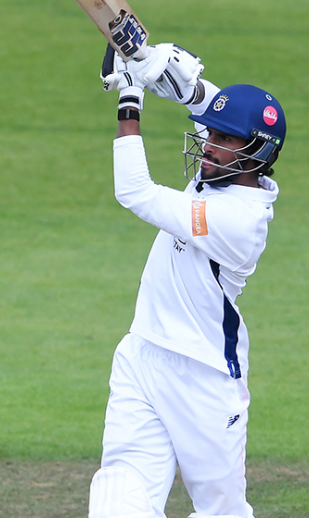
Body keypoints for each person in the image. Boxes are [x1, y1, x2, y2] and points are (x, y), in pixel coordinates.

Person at [87, 43, 287, 518]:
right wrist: (176, 78)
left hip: (205, 375)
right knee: (120, 496)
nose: (208, 145)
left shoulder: (239, 219)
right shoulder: (225, 167)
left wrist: (131, 96)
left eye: (223, 139)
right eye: (211, 133)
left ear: (256, 152)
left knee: (222, 512)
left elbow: (135, 192)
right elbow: (208, 103)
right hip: (142, 353)